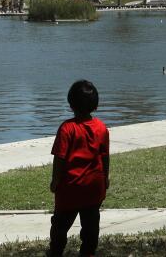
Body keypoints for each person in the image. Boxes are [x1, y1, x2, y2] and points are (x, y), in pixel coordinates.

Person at [48, 79, 110, 257]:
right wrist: (105, 178)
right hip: (93, 188)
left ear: (71, 104)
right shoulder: (101, 128)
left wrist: (55, 180)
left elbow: (59, 158)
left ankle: (56, 251)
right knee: (91, 227)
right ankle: (88, 253)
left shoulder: (67, 128)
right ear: (95, 105)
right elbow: (105, 157)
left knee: (60, 225)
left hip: (70, 188)